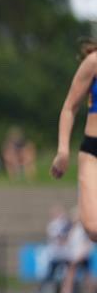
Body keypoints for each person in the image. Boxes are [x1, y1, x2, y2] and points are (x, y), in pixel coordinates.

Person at [51, 40, 97, 240]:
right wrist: (63, 150)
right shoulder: (93, 62)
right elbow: (69, 107)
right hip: (93, 154)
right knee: (94, 228)